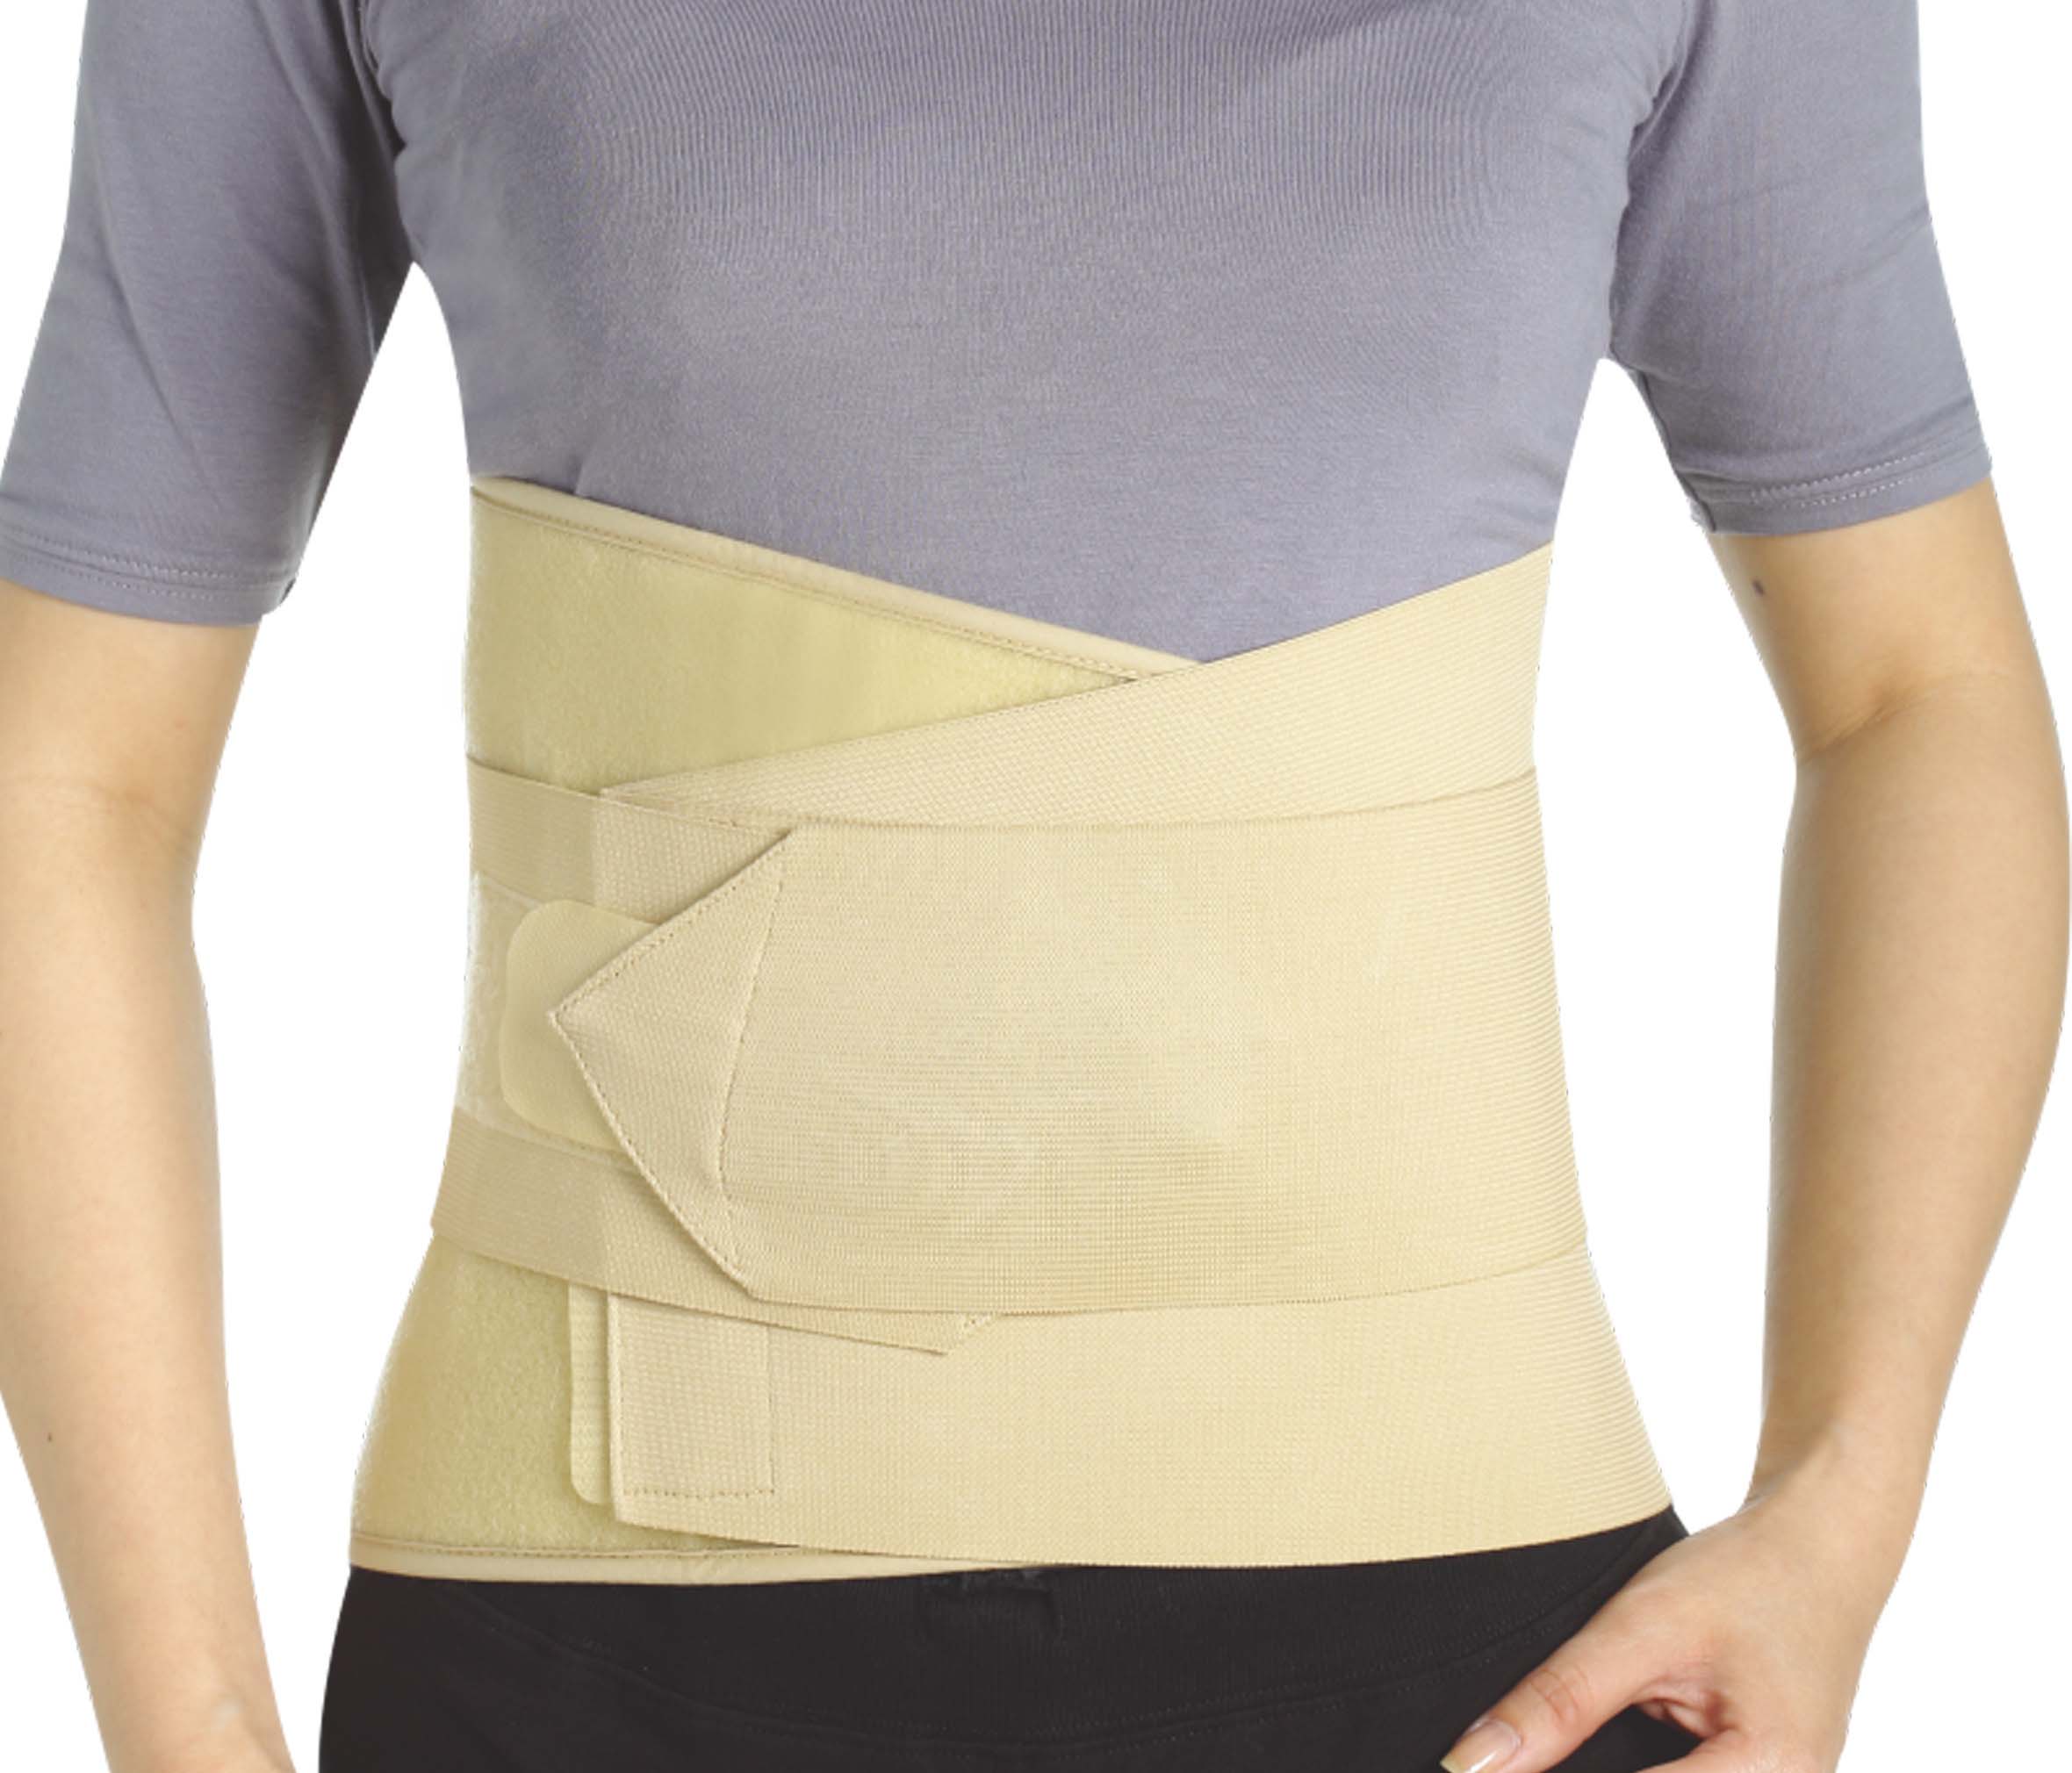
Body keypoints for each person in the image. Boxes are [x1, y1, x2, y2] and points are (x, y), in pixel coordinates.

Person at [0, 3, 2061, 1771]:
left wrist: (1840, 1510)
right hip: (592, 1628)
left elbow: (1915, 693)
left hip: (1474, 1637)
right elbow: (65, 780)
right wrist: (188, 1732)